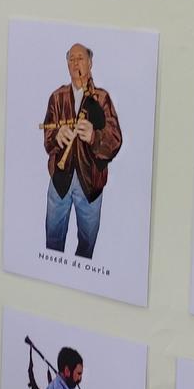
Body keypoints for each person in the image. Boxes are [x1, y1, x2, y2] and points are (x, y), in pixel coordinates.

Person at [41, 42, 122, 259]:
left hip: (90, 183)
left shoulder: (102, 99)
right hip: (59, 181)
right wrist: (56, 137)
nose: (76, 63)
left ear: (90, 63)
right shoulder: (56, 97)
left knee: (87, 243)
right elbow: (47, 141)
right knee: (53, 240)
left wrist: (95, 137)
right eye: (71, 59)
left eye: (81, 58)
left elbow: (115, 140)